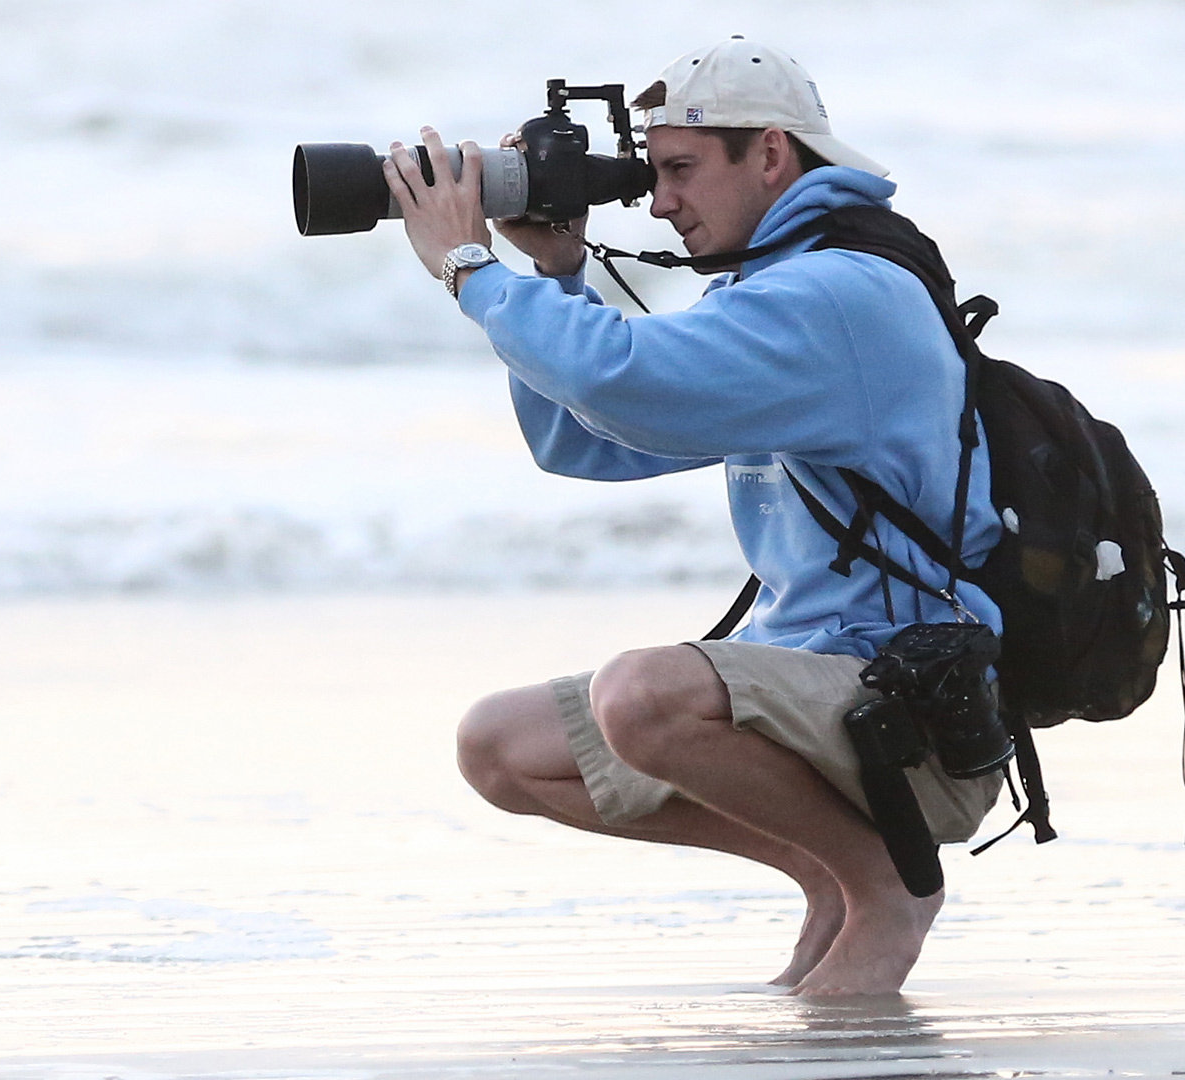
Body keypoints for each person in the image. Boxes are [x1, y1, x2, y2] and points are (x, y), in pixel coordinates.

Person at [380, 38, 1005, 996]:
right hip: (819, 683)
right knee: (499, 747)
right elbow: (591, 439)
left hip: (904, 703)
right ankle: (829, 866)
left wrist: (469, 265)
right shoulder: (776, 289)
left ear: (770, 156)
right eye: (655, 172)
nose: (659, 203)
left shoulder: (837, 295)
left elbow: (617, 376)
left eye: (679, 172)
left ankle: (885, 883)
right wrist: (554, 274)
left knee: (641, 695)